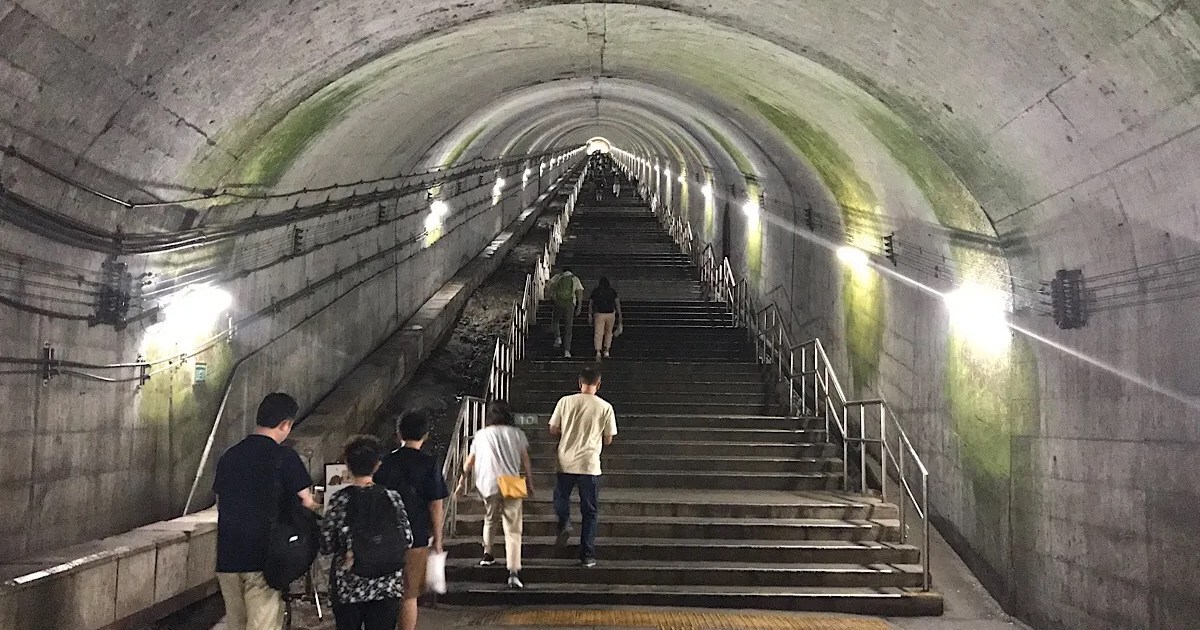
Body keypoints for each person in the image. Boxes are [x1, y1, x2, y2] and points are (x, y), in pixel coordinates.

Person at [214, 393, 318, 630]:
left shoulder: (229, 455)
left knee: (236, 624)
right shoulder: (284, 457)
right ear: (286, 424)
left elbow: (221, 501)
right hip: (265, 557)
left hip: (228, 556)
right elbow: (305, 500)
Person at [320, 436, 413, 630]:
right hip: (387, 585)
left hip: (349, 585)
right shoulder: (392, 497)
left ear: (347, 464)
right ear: (377, 465)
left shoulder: (340, 499)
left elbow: (326, 544)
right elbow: (407, 538)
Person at [375, 411, 450, 630]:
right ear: (425, 435)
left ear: (398, 433)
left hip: (385, 536)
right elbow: (435, 504)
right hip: (416, 536)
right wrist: (438, 539)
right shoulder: (429, 463)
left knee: (385, 592)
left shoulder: (385, 462)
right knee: (409, 595)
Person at [455, 401, 533, 589]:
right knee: (513, 528)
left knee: (490, 518)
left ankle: (488, 554)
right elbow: (526, 461)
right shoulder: (517, 434)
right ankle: (513, 572)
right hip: (511, 482)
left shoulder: (481, 435)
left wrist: (461, 482)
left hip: (488, 482)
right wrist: (530, 482)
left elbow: (469, 462)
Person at [549, 367, 617, 568]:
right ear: (599, 384)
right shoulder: (605, 407)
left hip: (566, 461)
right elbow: (608, 438)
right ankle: (587, 555)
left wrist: (568, 434)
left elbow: (553, 429)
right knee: (590, 511)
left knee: (560, 497)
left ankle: (564, 522)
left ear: (580, 383)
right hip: (590, 464)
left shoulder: (565, 401)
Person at [546, 268, 584, 358]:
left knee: (555, 321)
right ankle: (567, 351)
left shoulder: (557, 277)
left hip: (558, 303)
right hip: (570, 305)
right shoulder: (575, 279)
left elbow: (548, 286)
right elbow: (579, 292)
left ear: (562, 271)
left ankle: (558, 338)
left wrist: (551, 297)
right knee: (568, 327)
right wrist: (579, 307)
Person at [588, 277, 622, 360]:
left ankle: (598, 351)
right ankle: (606, 350)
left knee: (598, 333)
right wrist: (619, 314)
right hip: (610, 314)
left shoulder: (596, 291)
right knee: (608, 332)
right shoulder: (612, 291)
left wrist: (589, 314)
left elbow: (591, 303)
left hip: (599, 314)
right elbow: (617, 303)